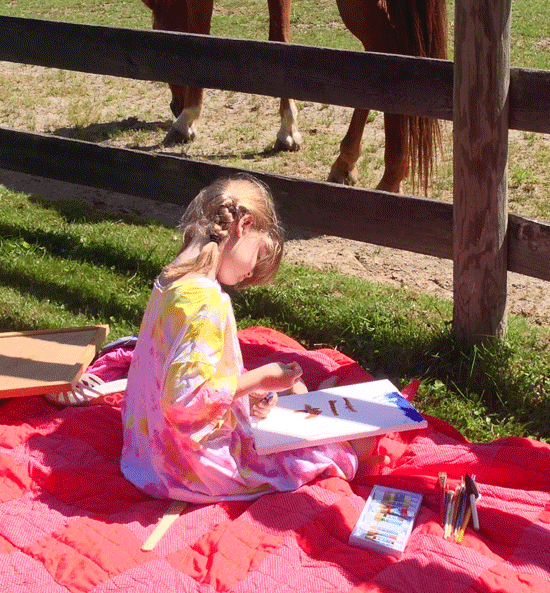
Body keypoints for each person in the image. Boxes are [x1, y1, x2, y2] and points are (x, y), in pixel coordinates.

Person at [120, 174, 382, 503]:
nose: (251, 272)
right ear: (244, 225)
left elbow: (181, 372)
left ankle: (304, 397)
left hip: (145, 451)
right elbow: (185, 401)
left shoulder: (172, 277)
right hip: (187, 468)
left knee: (289, 407)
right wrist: (258, 379)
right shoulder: (206, 302)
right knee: (356, 446)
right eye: (258, 253)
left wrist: (247, 391)